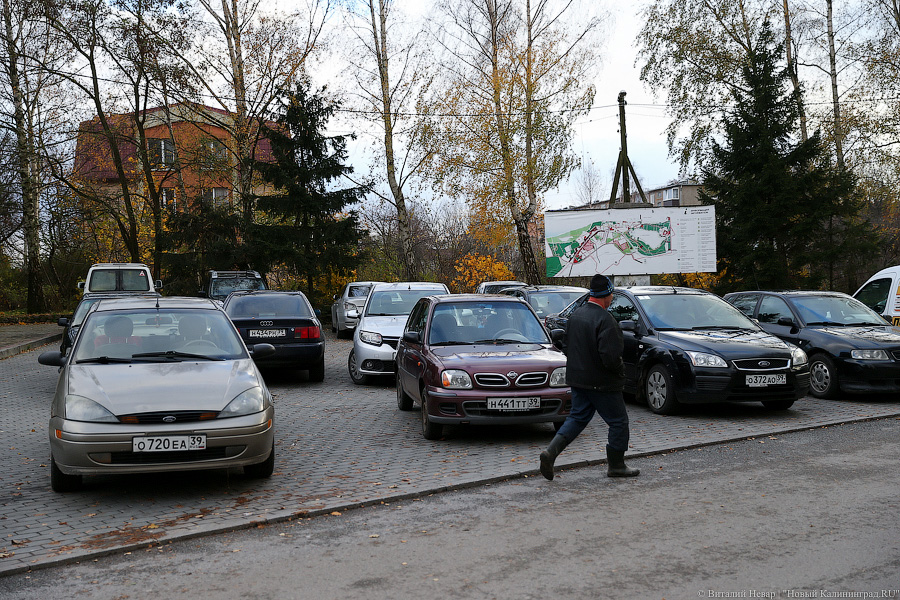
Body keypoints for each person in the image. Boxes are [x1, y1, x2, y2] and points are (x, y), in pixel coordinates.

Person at [540, 273, 640, 480]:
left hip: (578, 380)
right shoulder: (606, 320)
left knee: (577, 418)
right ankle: (617, 465)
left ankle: (550, 453)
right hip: (603, 383)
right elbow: (611, 357)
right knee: (618, 422)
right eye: (611, 295)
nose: (612, 299)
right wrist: (621, 373)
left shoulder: (576, 315)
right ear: (607, 295)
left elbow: (567, 347)